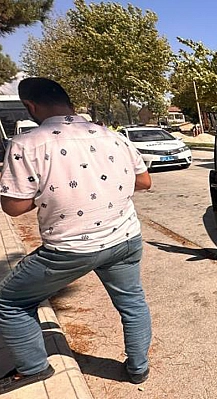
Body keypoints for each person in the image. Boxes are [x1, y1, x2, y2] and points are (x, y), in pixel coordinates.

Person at [0, 78, 153, 394]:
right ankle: (138, 369)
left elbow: (13, 207)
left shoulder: (26, 145)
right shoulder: (115, 138)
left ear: (30, 106)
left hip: (68, 249)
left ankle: (33, 367)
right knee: (132, 302)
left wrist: (48, 192)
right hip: (124, 238)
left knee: (9, 301)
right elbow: (145, 181)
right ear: (69, 103)